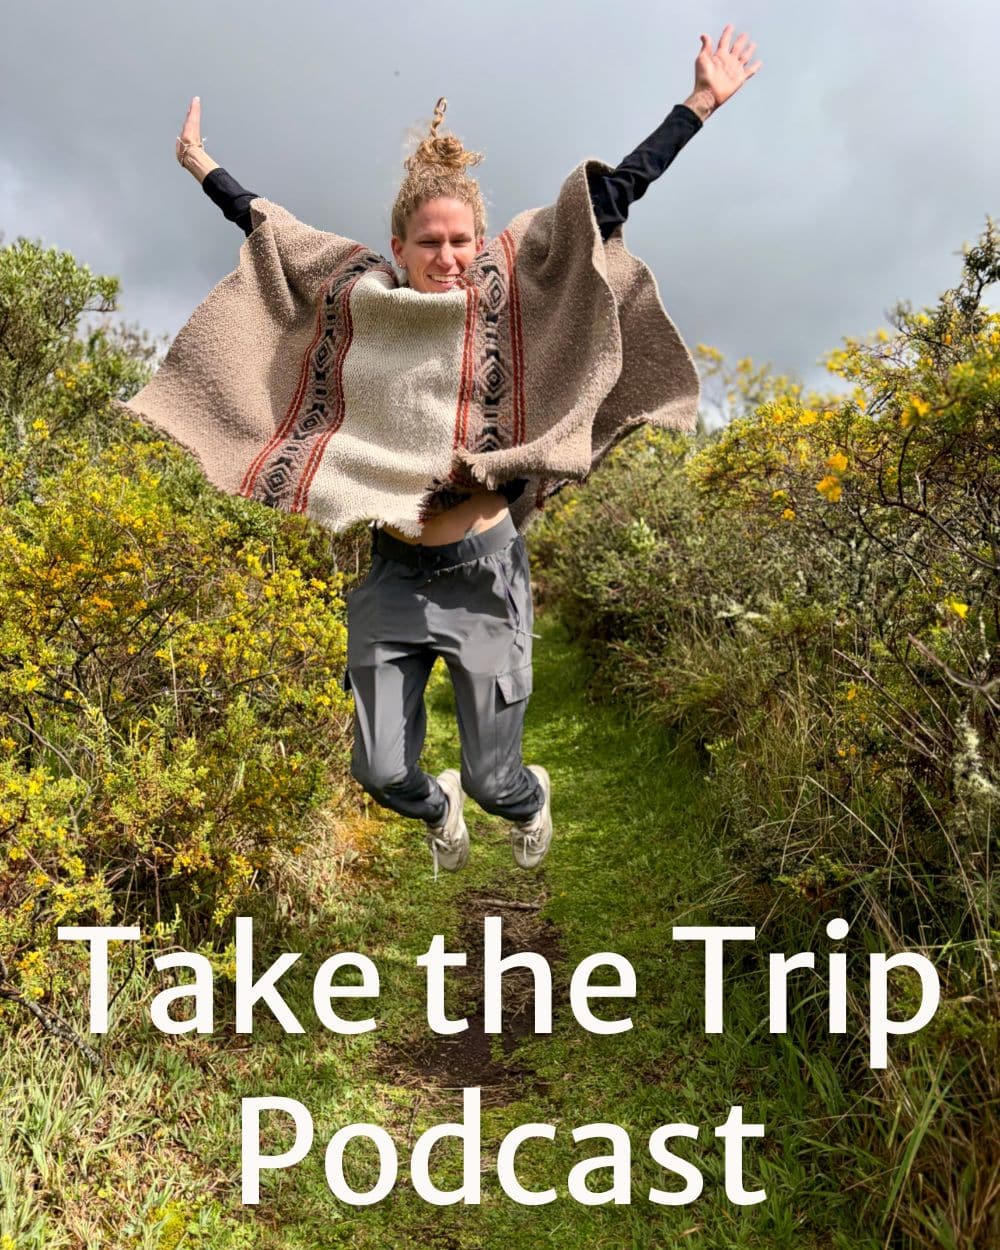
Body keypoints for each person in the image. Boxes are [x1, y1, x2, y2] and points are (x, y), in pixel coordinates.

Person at [158, 26, 760, 879]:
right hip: (393, 574)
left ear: (479, 242)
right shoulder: (361, 291)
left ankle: (525, 800)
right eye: (429, 242)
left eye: (460, 241)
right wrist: (199, 164)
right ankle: (435, 811)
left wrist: (699, 103)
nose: (447, 256)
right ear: (397, 246)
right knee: (381, 770)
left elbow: (609, 201)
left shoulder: (509, 284)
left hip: (483, 573)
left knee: (495, 775)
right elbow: (270, 230)